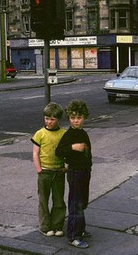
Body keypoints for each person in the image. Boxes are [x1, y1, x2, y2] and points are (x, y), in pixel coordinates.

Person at [55, 99, 92, 249]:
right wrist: (72, 147)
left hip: (84, 171)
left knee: (82, 202)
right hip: (75, 173)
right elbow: (59, 151)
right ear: (69, 118)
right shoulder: (69, 135)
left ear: (84, 117)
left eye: (79, 117)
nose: (75, 121)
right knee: (75, 204)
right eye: (72, 118)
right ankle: (73, 236)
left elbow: (87, 152)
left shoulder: (83, 133)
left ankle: (80, 230)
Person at [31, 102, 67, 237]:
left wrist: (66, 167)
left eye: (52, 119)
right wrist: (39, 169)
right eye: (47, 118)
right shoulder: (40, 134)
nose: (49, 122)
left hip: (58, 171)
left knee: (58, 200)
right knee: (43, 200)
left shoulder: (64, 134)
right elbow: (35, 153)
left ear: (58, 120)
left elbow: (68, 152)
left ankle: (57, 225)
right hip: (44, 172)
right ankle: (45, 226)